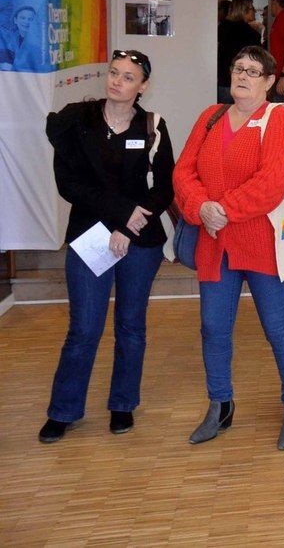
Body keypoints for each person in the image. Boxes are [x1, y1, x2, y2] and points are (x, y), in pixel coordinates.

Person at [173, 45, 284, 451]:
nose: (243, 75)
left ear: (269, 82)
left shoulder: (278, 118)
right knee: (213, 328)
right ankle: (220, 404)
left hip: (260, 243)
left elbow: (273, 182)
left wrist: (223, 210)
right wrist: (200, 207)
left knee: (278, 328)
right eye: (238, 68)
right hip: (214, 246)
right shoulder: (210, 117)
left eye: (253, 71)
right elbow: (183, 171)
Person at [38, 50, 174, 444]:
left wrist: (129, 228)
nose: (117, 81)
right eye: (114, 73)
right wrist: (121, 214)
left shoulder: (153, 126)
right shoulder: (76, 121)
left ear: (142, 86)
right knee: (83, 329)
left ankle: (122, 405)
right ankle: (63, 411)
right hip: (89, 238)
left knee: (131, 326)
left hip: (140, 241)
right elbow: (70, 185)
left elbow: (165, 187)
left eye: (128, 77)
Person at [216, 0, 262, 104]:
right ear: (244, 10)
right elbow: (257, 60)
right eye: (252, 8)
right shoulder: (251, 34)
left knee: (224, 114)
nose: (255, 11)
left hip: (224, 80)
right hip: (245, 81)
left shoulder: (222, 28)